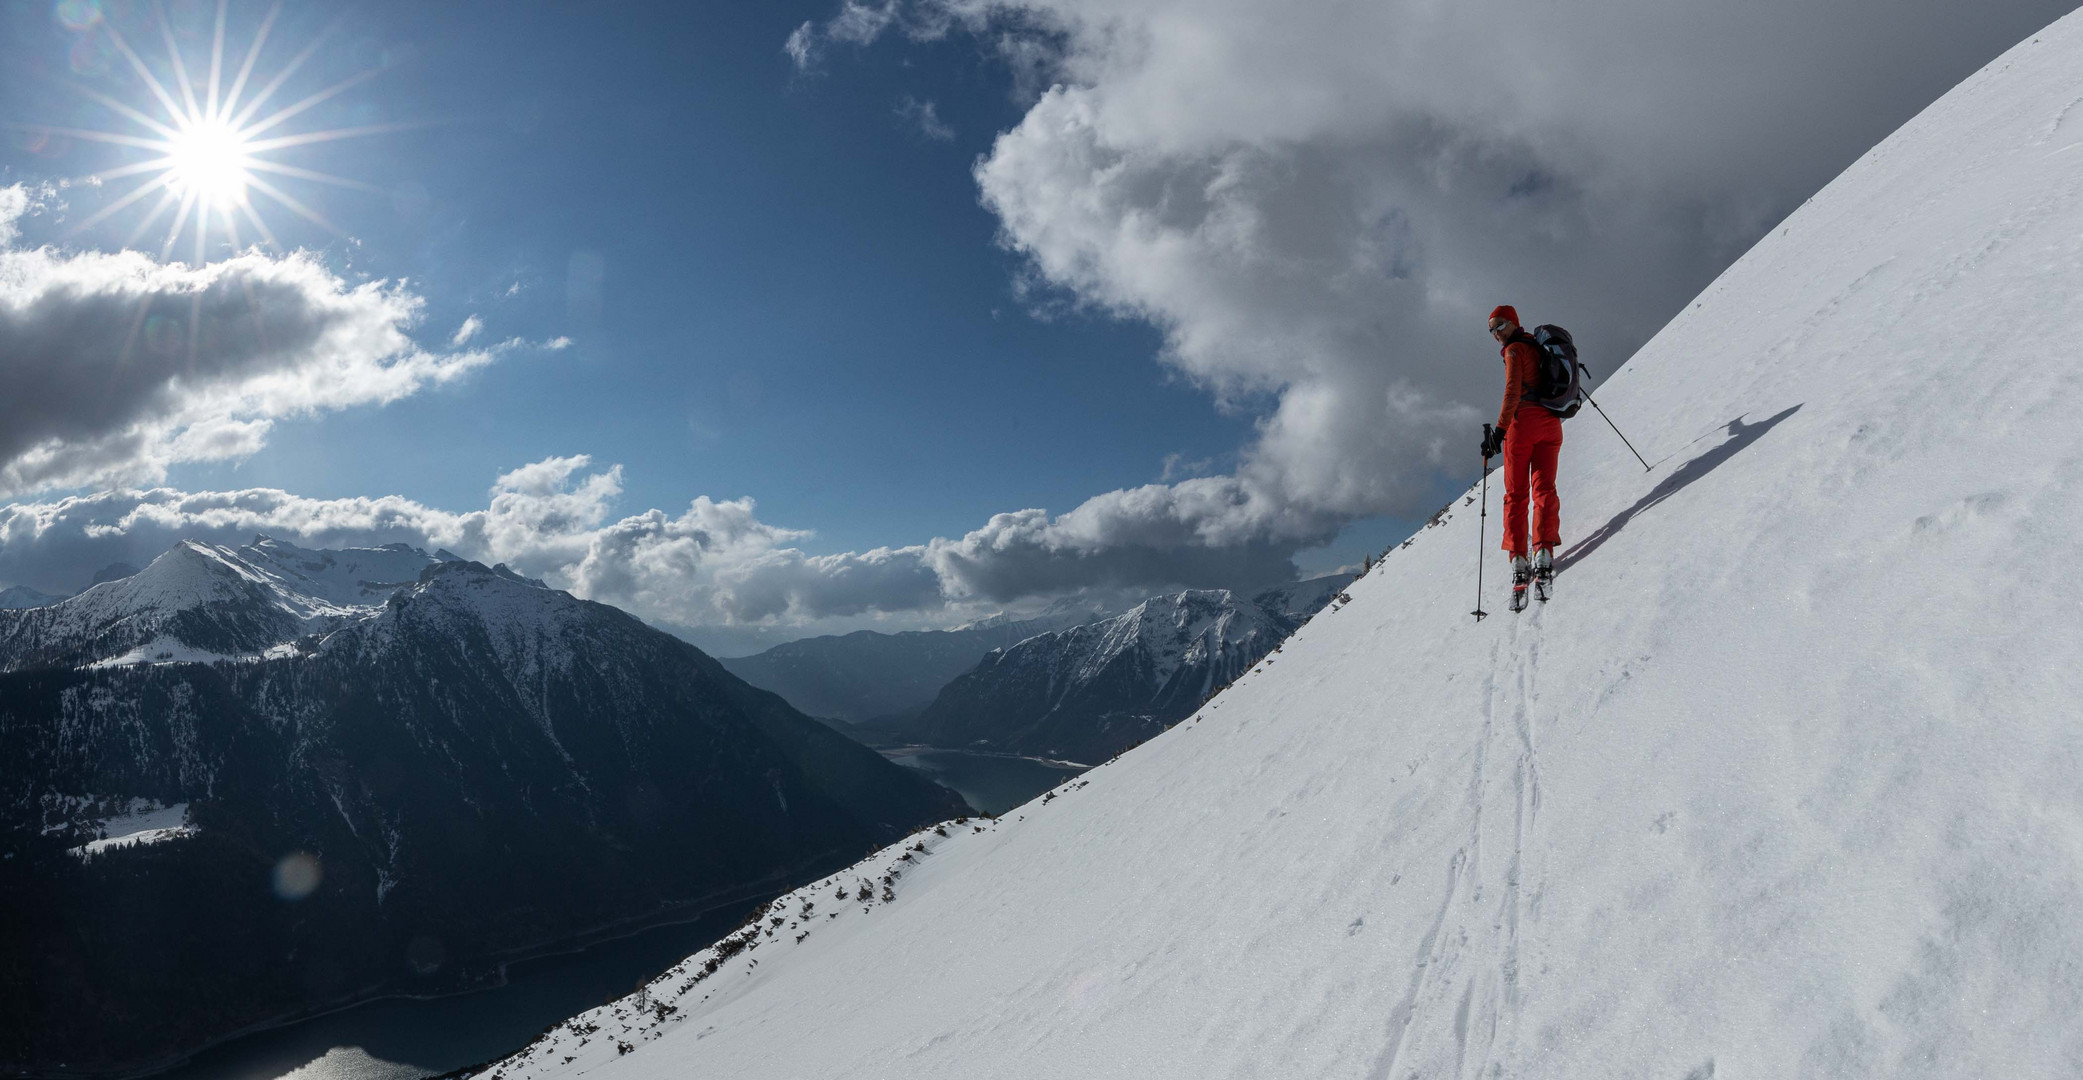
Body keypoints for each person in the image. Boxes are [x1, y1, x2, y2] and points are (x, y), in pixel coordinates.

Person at [1479, 305, 1562, 608]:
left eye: (1499, 326)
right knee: (1544, 488)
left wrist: (1499, 433)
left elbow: (1512, 391)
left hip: (1522, 427)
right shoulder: (1539, 347)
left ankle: (1519, 560)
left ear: (1512, 323)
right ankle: (1543, 550)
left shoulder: (1514, 350)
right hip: (1550, 425)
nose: (1495, 334)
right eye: (1491, 330)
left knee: (1516, 495)